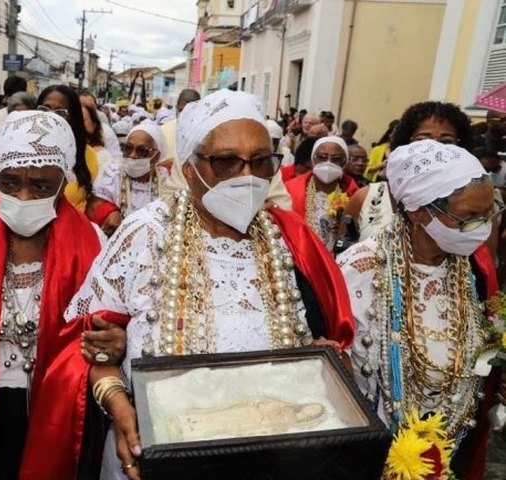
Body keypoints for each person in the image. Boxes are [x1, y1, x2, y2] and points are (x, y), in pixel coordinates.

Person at [19, 89, 355, 480]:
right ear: (190, 168)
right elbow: (88, 348)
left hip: (266, 460)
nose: (247, 177)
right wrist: (119, 405)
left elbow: (329, 345)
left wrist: (317, 360)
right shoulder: (144, 234)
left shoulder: (291, 238)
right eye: (226, 162)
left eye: (261, 162)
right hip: (160, 455)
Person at [0, 110, 120, 479]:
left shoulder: (93, 242)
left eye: (41, 186)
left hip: (53, 407)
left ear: (65, 181)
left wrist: (111, 339)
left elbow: (109, 323)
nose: (24, 197)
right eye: (11, 183)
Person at [339, 140, 501, 480]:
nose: (483, 229)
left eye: (490, 214)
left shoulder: (470, 269)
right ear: (419, 211)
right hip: (373, 456)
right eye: (470, 217)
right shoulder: (362, 268)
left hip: (449, 449)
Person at [345, 102, 472, 241]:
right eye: (423, 139)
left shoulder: (473, 201)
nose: (434, 148)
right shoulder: (366, 198)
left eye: (446, 141)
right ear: (405, 142)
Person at [89, 122, 170, 236]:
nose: (132, 155)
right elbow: (92, 208)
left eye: (142, 151)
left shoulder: (166, 178)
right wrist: (109, 212)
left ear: (156, 156)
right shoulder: (112, 173)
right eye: (128, 148)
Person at [286, 136, 359, 252]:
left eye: (336, 158)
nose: (328, 163)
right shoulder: (291, 189)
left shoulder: (353, 192)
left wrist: (345, 229)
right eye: (322, 157)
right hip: (300, 256)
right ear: (313, 159)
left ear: (345, 162)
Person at [37, 85, 97, 212]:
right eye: (45, 109)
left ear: (72, 118)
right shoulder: (21, 149)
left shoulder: (87, 154)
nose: (50, 117)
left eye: (60, 113)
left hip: (71, 226)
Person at [81, 91, 121, 160]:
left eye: (89, 107)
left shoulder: (106, 131)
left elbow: (116, 158)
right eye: (81, 106)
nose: (84, 110)